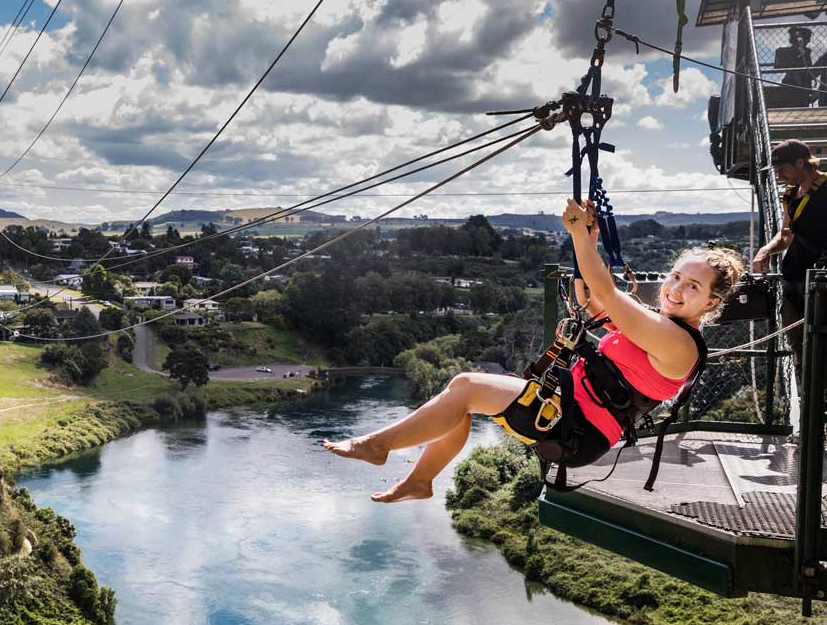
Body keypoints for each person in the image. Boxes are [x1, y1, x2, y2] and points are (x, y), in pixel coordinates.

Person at [323, 199, 744, 503]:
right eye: (676, 276)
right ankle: (420, 480)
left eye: (694, 287)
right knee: (462, 391)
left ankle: (378, 446)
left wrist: (582, 238)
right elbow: (598, 302)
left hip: (576, 428)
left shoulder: (678, 343)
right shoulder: (660, 325)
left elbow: (606, 293)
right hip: (567, 412)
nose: (676, 289)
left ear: (710, 303)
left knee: (467, 387)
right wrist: (585, 254)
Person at [751, 139, 827, 379]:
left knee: (821, 343)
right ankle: (807, 399)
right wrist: (766, 250)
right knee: (798, 345)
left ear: (800, 163)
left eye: (782, 169)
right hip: (792, 278)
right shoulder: (791, 194)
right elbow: (786, 235)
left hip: (819, 282)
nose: (780, 176)